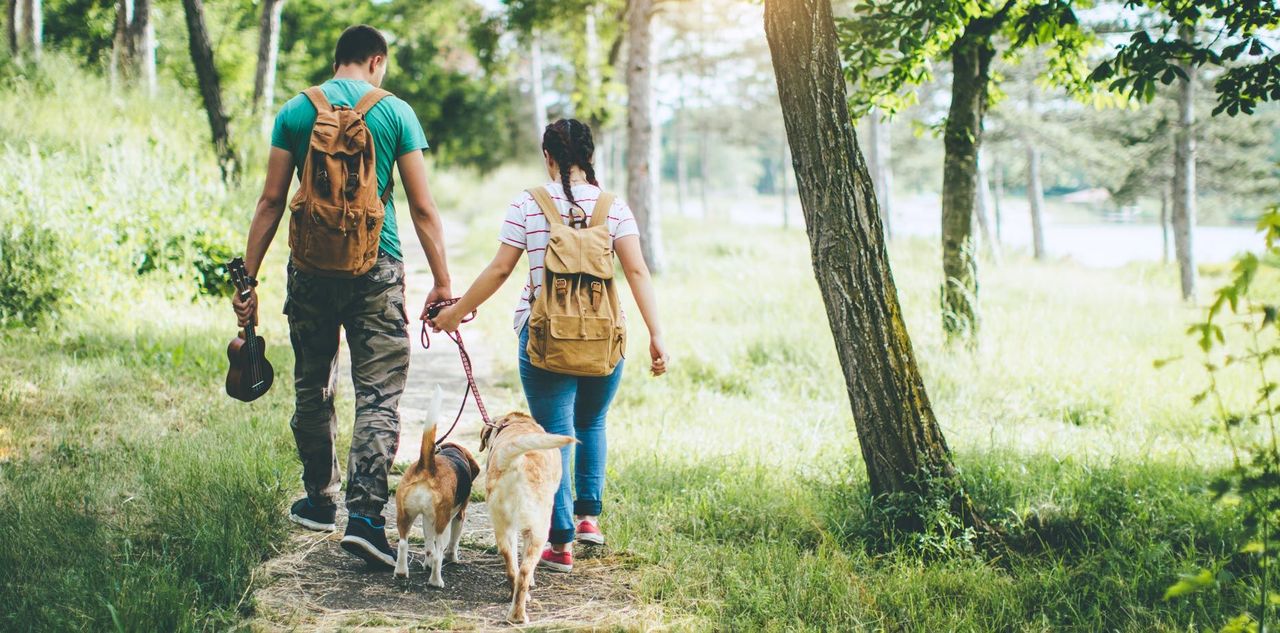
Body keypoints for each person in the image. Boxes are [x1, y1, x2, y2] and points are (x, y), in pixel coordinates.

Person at [231, 24, 451, 569]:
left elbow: (270, 201)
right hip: (378, 266)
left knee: (313, 383)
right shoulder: (395, 112)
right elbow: (423, 209)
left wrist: (248, 279)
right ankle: (367, 518)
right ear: (376, 61)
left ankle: (318, 499)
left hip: (308, 268)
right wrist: (444, 282)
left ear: (338, 61)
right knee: (377, 394)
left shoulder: (295, 111)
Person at [429, 118, 668, 573]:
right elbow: (637, 272)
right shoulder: (614, 209)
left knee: (553, 434)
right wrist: (656, 334)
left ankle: (559, 546)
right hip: (604, 337)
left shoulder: (528, 203)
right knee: (592, 421)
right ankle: (588, 519)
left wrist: (455, 315)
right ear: (590, 157)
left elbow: (500, 270)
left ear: (549, 156)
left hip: (544, 338)